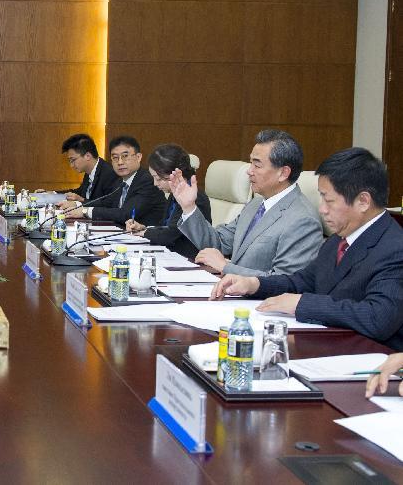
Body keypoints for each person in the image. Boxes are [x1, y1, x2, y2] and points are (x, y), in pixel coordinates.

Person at [211, 148, 403, 350]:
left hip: (370, 357)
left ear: (363, 201)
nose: (322, 209)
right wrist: (255, 284)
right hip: (328, 344)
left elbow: (378, 317)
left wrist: (302, 304)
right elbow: (303, 281)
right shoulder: (338, 240)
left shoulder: (395, 249)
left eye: (329, 200)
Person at [173, 129, 323, 276]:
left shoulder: (303, 220)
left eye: (257, 165)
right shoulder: (256, 204)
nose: (249, 171)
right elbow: (218, 242)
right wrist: (189, 207)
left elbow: (285, 281)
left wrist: (226, 267)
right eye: (250, 163)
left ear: (283, 173)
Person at [125, 144, 211, 259]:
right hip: (171, 255)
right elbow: (165, 227)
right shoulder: (173, 194)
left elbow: (170, 235)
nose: (155, 183)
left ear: (175, 174)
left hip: (188, 260)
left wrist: (144, 233)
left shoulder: (194, 198)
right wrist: (144, 228)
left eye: (159, 179)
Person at [61, 135, 166, 227]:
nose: (120, 162)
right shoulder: (120, 182)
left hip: (149, 240)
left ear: (138, 157)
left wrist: (85, 211)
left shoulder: (147, 180)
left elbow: (126, 214)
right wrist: (77, 205)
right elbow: (105, 203)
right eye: (115, 158)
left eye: (125, 156)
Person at [52, 133, 120, 205]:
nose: (71, 165)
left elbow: (109, 205)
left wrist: (82, 200)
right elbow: (79, 192)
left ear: (87, 156)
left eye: (73, 160)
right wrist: (53, 194)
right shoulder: (89, 171)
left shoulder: (109, 173)